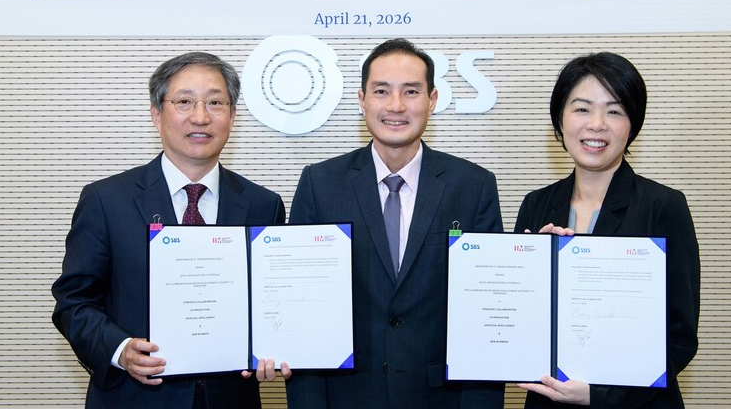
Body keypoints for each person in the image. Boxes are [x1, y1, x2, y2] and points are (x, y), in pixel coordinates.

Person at [52, 52, 288, 409]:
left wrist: (276, 347)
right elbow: (73, 302)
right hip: (133, 399)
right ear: (156, 113)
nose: (200, 116)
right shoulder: (106, 200)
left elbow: (274, 305)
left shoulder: (263, 205)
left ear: (233, 116)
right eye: (184, 102)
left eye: (215, 102)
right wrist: (120, 350)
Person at [285, 38, 505, 409]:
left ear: (432, 100)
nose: (396, 106)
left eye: (411, 91)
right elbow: (301, 311)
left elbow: (487, 316)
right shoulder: (319, 184)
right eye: (381, 91)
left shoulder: (473, 186)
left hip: (440, 398)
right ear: (362, 100)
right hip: (347, 397)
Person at [514, 52, 700, 408]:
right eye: (582, 109)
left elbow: (679, 337)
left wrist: (600, 396)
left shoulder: (663, 206)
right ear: (560, 119)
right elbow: (522, 326)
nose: (597, 125)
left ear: (633, 124)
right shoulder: (536, 204)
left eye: (614, 111)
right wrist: (526, 275)